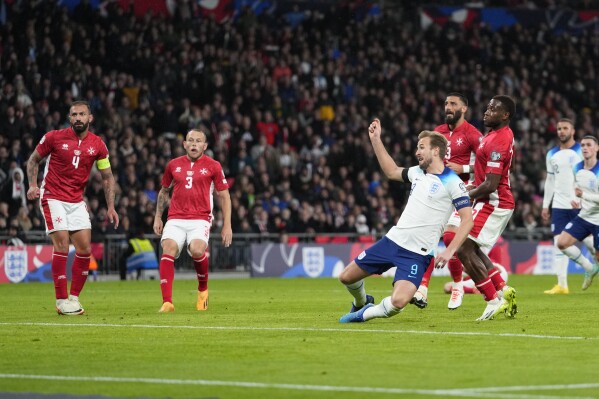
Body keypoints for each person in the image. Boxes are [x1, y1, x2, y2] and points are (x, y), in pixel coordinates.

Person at [338, 120, 474, 323]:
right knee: (346, 277)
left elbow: (467, 221)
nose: (416, 152)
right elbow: (392, 171)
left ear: (436, 151)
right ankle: (361, 302)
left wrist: (449, 250)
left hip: (417, 254)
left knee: (398, 302)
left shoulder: (453, 182)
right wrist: (376, 140)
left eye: (421, 147)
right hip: (393, 241)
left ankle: (362, 315)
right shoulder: (417, 173)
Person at [26, 100, 119, 315]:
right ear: (70, 118)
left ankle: (73, 299)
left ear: (90, 118)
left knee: (85, 248)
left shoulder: (98, 145)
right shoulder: (54, 137)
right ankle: (61, 301)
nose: (78, 118)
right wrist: (32, 184)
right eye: (74, 114)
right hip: (52, 197)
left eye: (82, 114)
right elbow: (33, 160)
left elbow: (107, 177)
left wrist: (111, 207)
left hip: (76, 201)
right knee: (61, 244)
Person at [412, 92, 483, 310]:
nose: (448, 107)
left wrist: (464, 168)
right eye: (446, 104)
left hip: (462, 191)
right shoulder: (438, 133)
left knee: (451, 236)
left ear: (464, 109)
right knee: (428, 239)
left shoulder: (472, 134)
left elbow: (487, 164)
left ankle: (457, 286)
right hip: (437, 192)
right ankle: (422, 289)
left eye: (453, 104)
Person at [153, 129, 232, 313]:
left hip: (200, 218)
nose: (194, 144)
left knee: (197, 250)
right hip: (175, 217)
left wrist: (227, 225)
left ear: (205, 146)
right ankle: (167, 302)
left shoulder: (213, 166)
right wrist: (158, 216)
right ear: (184, 144)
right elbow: (164, 191)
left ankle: (203, 289)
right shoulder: (173, 165)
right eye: (190, 140)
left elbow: (225, 196)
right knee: (168, 248)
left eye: (198, 141)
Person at [456, 95, 517, 321]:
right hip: (488, 200)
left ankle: (493, 300)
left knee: (462, 247)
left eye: (493, 109)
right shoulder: (493, 136)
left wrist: (463, 196)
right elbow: (485, 174)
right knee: (474, 249)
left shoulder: (498, 140)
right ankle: (502, 290)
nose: (486, 111)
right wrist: (471, 182)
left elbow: (491, 184)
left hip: (494, 202)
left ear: (505, 115)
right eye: (488, 107)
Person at [541, 119, 595, 294]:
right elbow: (550, 180)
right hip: (559, 205)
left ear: (573, 130)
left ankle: (592, 267)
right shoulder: (551, 154)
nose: (561, 131)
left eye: (565, 128)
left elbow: (587, 176)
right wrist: (545, 205)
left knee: (590, 243)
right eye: (559, 128)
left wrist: (583, 198)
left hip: (579, 203)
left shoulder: (582, 150)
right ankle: (562, 285)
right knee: (559, 243)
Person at [556, 135, 599, 289]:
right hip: (584, 216)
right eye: (582, 145)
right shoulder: (577, 168)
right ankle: (590, 268)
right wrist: (576, 199)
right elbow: (577, 187)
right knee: (561, 243)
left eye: (589, 145)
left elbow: (586, 193)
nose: (585, 148)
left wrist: (584, 196)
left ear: (596, 148)